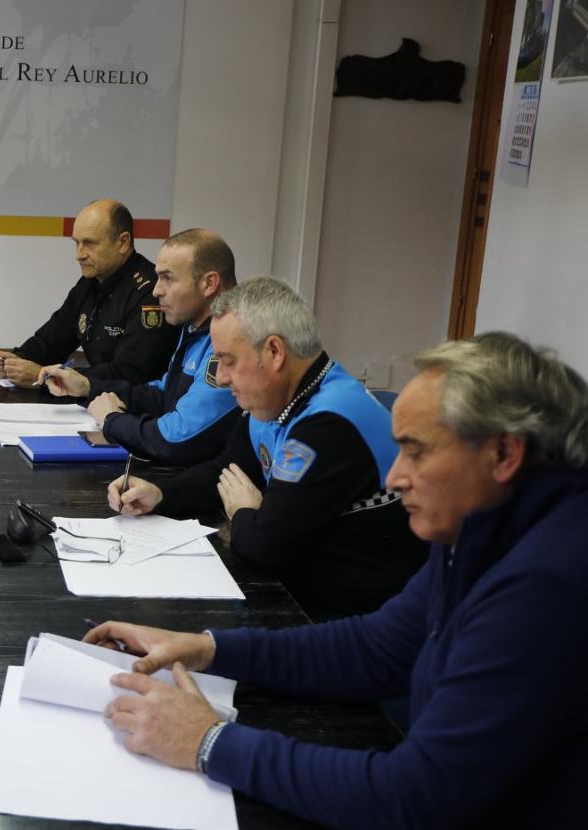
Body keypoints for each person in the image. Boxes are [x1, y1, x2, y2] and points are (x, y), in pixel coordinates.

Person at [88, 332, 588, 829]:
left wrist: (207, 741)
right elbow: (379, 648)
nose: (394, 478)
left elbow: (414, 797)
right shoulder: (486, 524)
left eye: (416, 452)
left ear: (504, 454)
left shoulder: (549, 583)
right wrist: (206, 648)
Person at [109, 277, 425, 619]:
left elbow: (263, 545)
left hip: (355, 617)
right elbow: (227, 471)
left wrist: (244, 515)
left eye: (229, 361)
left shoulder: (330, 423)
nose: (223, 378)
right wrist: (160, 493)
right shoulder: (278, 399)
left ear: (274, 352)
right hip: (307, 587)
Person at [41, 228, 240, 465]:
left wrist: (111, 420)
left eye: (168, 278)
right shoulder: (194, 329)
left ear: (209, 283)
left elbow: (174, 438)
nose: (156, 290)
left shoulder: (233, 343)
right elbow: (162, 395)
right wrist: (88, 386)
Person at [0, 198, 179, 387]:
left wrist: (45, 375)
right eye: (77, 243)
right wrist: (16, 359)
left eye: (90, 243)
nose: (79, 254)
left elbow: (130, 373)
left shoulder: (150, 292)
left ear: (122, 242)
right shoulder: (90, 282)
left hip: (138, 408)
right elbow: (53, 340)